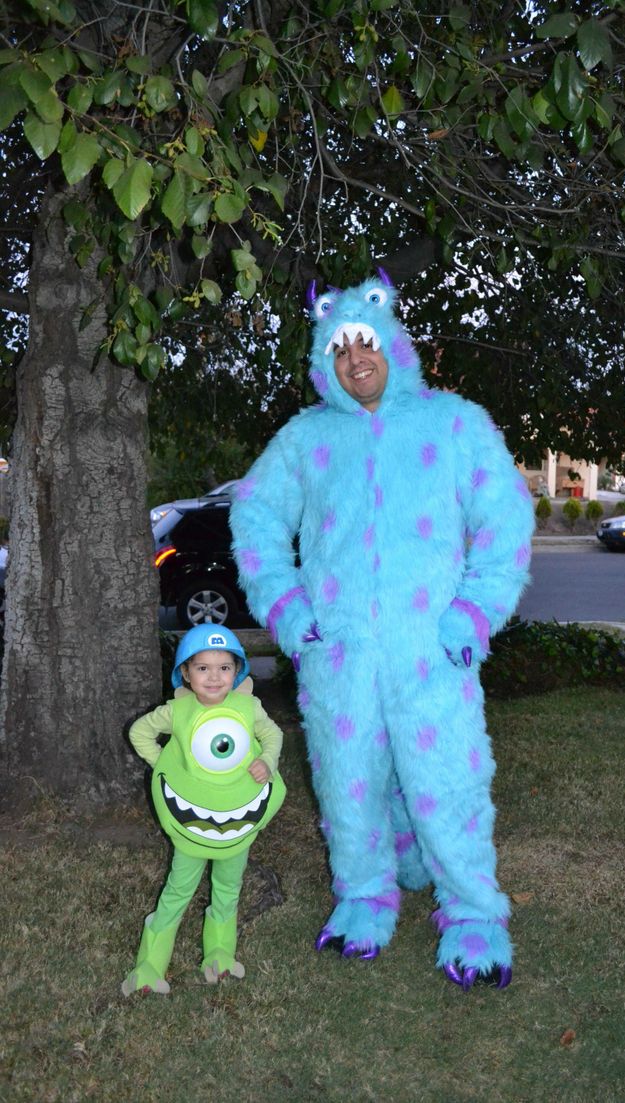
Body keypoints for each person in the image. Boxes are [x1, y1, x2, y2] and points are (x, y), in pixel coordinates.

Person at [229, 270, 534, 990]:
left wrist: (475, 610)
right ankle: (364, 897)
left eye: (365, 343)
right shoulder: (306, 438)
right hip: (338, 653)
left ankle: (472, 910)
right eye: (338, 350)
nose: (354, 359)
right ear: (322, 363)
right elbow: (255, 514)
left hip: (433, 649)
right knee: (347, 778)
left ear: (393, 343)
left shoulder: (453, 423)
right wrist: (288, 609)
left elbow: (507, 517)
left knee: (449, 777)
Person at [121, 624, 286, 995]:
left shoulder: (248, 706)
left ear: (237, 671)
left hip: (238, 821)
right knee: (179, 888)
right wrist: (166, 765)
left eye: (224, 668)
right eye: (203, 668)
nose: (214, 677)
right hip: (194, 825)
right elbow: (139, 733)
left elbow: (273, 734)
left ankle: (219, 956)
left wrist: (269, 761)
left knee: (229, 887)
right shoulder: (176, 712)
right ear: (186, 673)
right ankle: (149, 966)